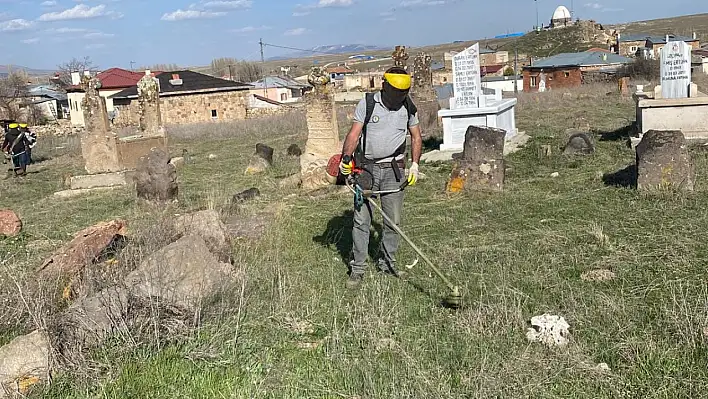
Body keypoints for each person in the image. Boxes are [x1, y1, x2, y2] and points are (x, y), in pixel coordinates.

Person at [338, 66, 423, 290]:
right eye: (395, 93)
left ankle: (388, 264)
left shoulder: (408, 106)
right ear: (384, 86)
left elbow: (416, 136)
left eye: (402, 93)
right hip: (365, 170)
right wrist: (346, 159)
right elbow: (354, 134)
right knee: (361, 221)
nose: (398, 98)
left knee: (392, 222)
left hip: (394, 170)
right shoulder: (367, 104)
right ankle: (357, 270)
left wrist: (414, 164)